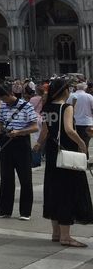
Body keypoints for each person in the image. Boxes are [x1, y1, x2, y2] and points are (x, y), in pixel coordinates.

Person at [34, 77, 93, 246]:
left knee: (54, 190)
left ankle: (56, 233)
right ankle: (66, 236)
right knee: (68, 191)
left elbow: (44, 130)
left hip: (53, 153)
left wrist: (38, 144)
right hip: (67, 152)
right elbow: (69, 129)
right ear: (66, 91)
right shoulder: (66, 107)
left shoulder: (47, 107)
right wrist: (82, 143)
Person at [0, 83, 39, 220]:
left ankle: (25, 212)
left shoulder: (27, 106)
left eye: (4, 99)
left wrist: (20, 132)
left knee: (25, 178)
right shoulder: (3, 106)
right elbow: (1, 121)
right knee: (6, 177)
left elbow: (35, 127)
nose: (3, 102)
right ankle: (4, 210)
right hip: (7, 142)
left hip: (21, 143)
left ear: (10, 94)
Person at [70, 81, 93, 148]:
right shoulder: (89, 96)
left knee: (76, 143)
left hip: (74, 123)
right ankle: (85, 157)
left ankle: (79, 157)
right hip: (87, 123)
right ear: (85, 89)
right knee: (85, 143)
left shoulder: (72, 96)